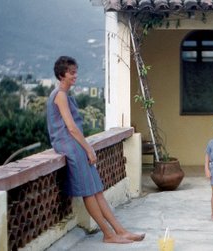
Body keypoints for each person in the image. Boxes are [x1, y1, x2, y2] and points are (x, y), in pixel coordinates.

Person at [46, 56, 145, 244]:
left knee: (97, 190)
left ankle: (120, 231)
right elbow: (71, 127)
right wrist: (89, 149)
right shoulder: (59, 95)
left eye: (76, 71)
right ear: (61, 74)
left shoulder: (64, 95)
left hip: (74, 145)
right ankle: (108, 235)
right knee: (89, 193)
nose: (75, 75)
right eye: (71, 72)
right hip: (71, 147)